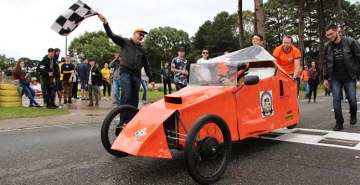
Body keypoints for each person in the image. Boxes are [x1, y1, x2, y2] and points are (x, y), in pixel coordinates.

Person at [98, 14, 155, 108]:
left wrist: (152, 79)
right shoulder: (125, 42)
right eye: (140, 34)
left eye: (143, 36)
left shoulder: (143, 50)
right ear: (134, 34)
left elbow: (147, 65)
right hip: (126, 72)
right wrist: (105, 23)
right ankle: (123, 121)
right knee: (126, 95)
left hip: (137, 75)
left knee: (134, 98)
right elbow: (111, 35)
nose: (142, 37)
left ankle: (131, 120)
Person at [323, 23, 360, 131]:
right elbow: (325, 62)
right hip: (335, 77)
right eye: (328, 35)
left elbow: (359, 56)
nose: (330, 37)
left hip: (349, 76)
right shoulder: (327, 46)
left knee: (352, 99)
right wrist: (326, 78)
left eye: (331, 34)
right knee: (336, 99)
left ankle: (353, 113)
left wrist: (357, 72)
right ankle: (339, 122)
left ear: (337, 31)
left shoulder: (350, 42)